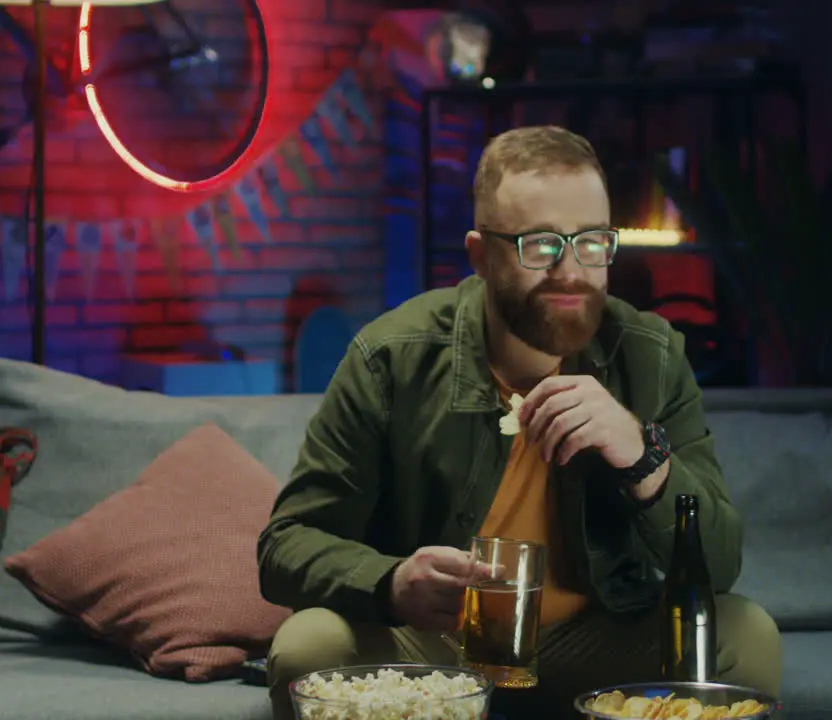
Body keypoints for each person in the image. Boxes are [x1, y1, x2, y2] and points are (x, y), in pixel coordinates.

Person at [257, 125, 781, 720]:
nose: (572, 271)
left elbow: (721, 565)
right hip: (435, 649)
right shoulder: (391, 358)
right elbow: (285, 546)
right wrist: (392, 581)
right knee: (310, 647)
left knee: (747, 636)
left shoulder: (650, 355)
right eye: (540, 245)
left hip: (593, 640)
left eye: (591, 243)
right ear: (480, 255)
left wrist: (642, 455)